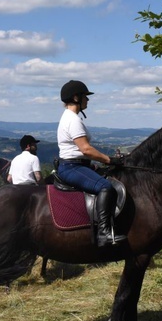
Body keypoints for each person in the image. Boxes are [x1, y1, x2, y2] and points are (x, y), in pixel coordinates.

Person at [56, 80, 126, 247]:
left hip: (79, 165)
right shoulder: (72, 120)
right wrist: (110, 160)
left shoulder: (71, 118)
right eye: (85, 97)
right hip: (72, 167)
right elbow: (86, 149)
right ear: (75, 98)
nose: (88, 100)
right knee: (105, 187)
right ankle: (104, 233)